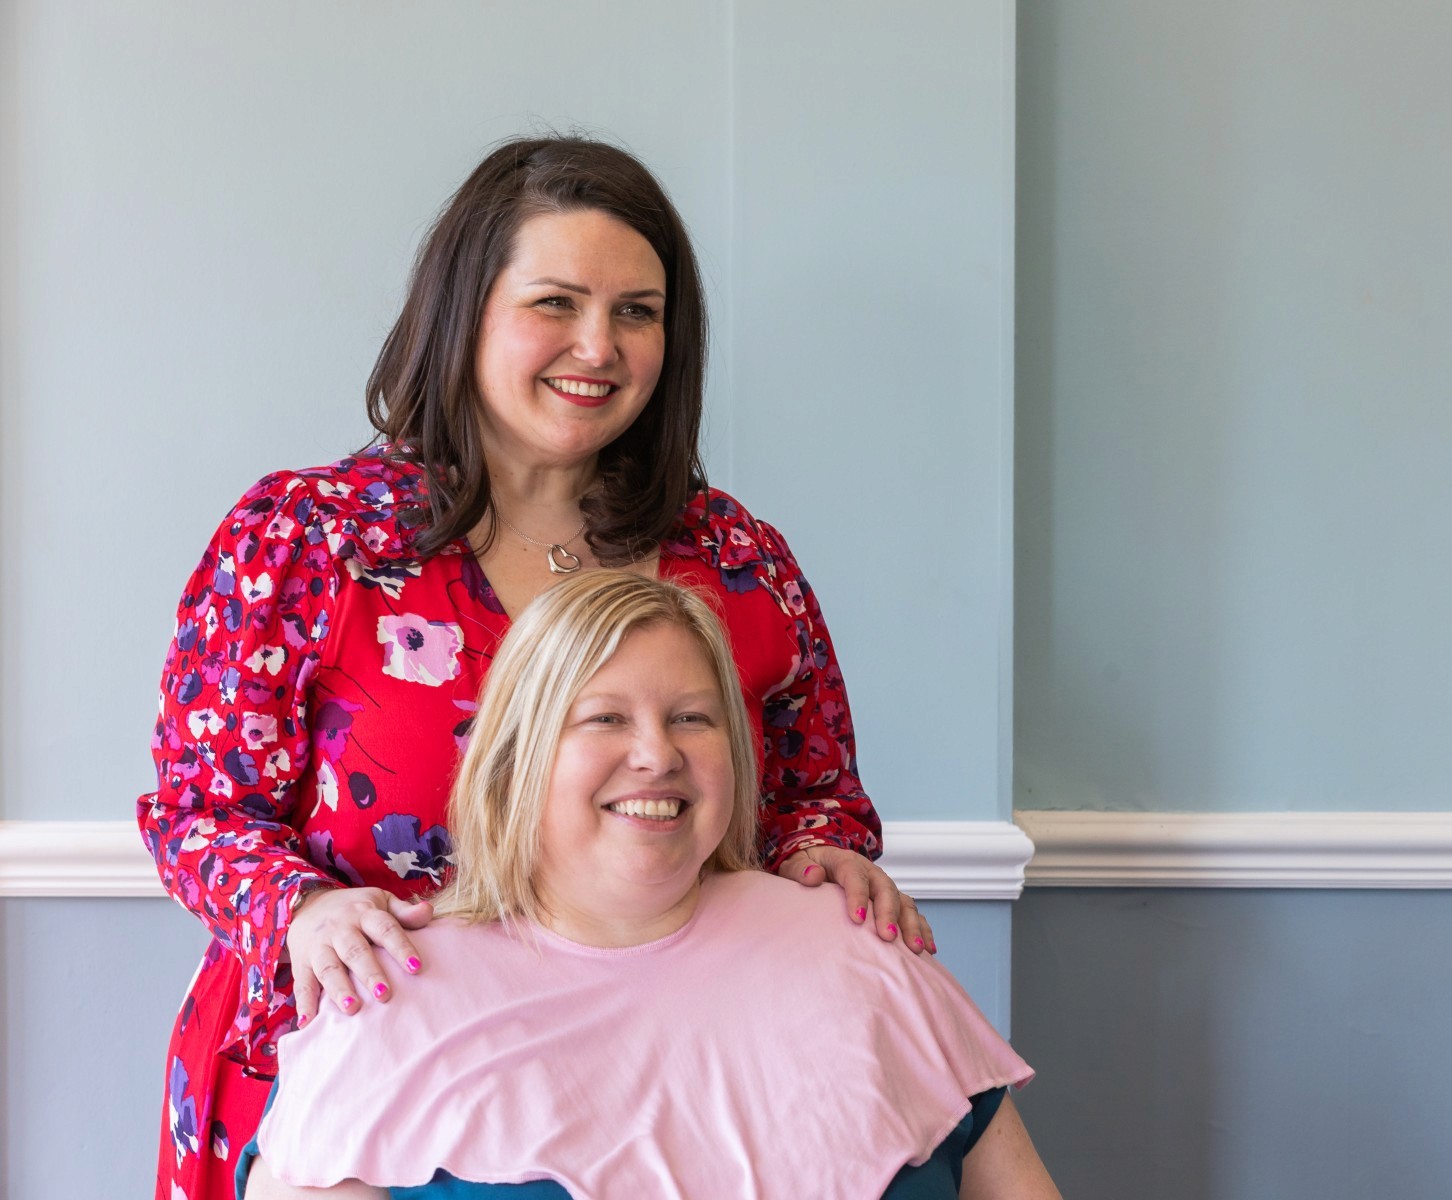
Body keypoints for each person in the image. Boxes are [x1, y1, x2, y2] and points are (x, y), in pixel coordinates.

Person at [139, 136, 931, 1200]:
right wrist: (302, 912)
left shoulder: (739, 563)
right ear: (465, 310)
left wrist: (827, 856)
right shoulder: (307, 542)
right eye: (555, 303)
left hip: (648, 1097)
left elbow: (813, 798)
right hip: (351, 1100)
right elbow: (199, 811)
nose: (599, 347)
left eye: (638, 312)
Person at [239, 571, 1057, 1200]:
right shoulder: (383, 1005)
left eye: (692, 719)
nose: (657, 755)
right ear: (515, 762)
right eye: (604, 718)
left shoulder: (864, 950)